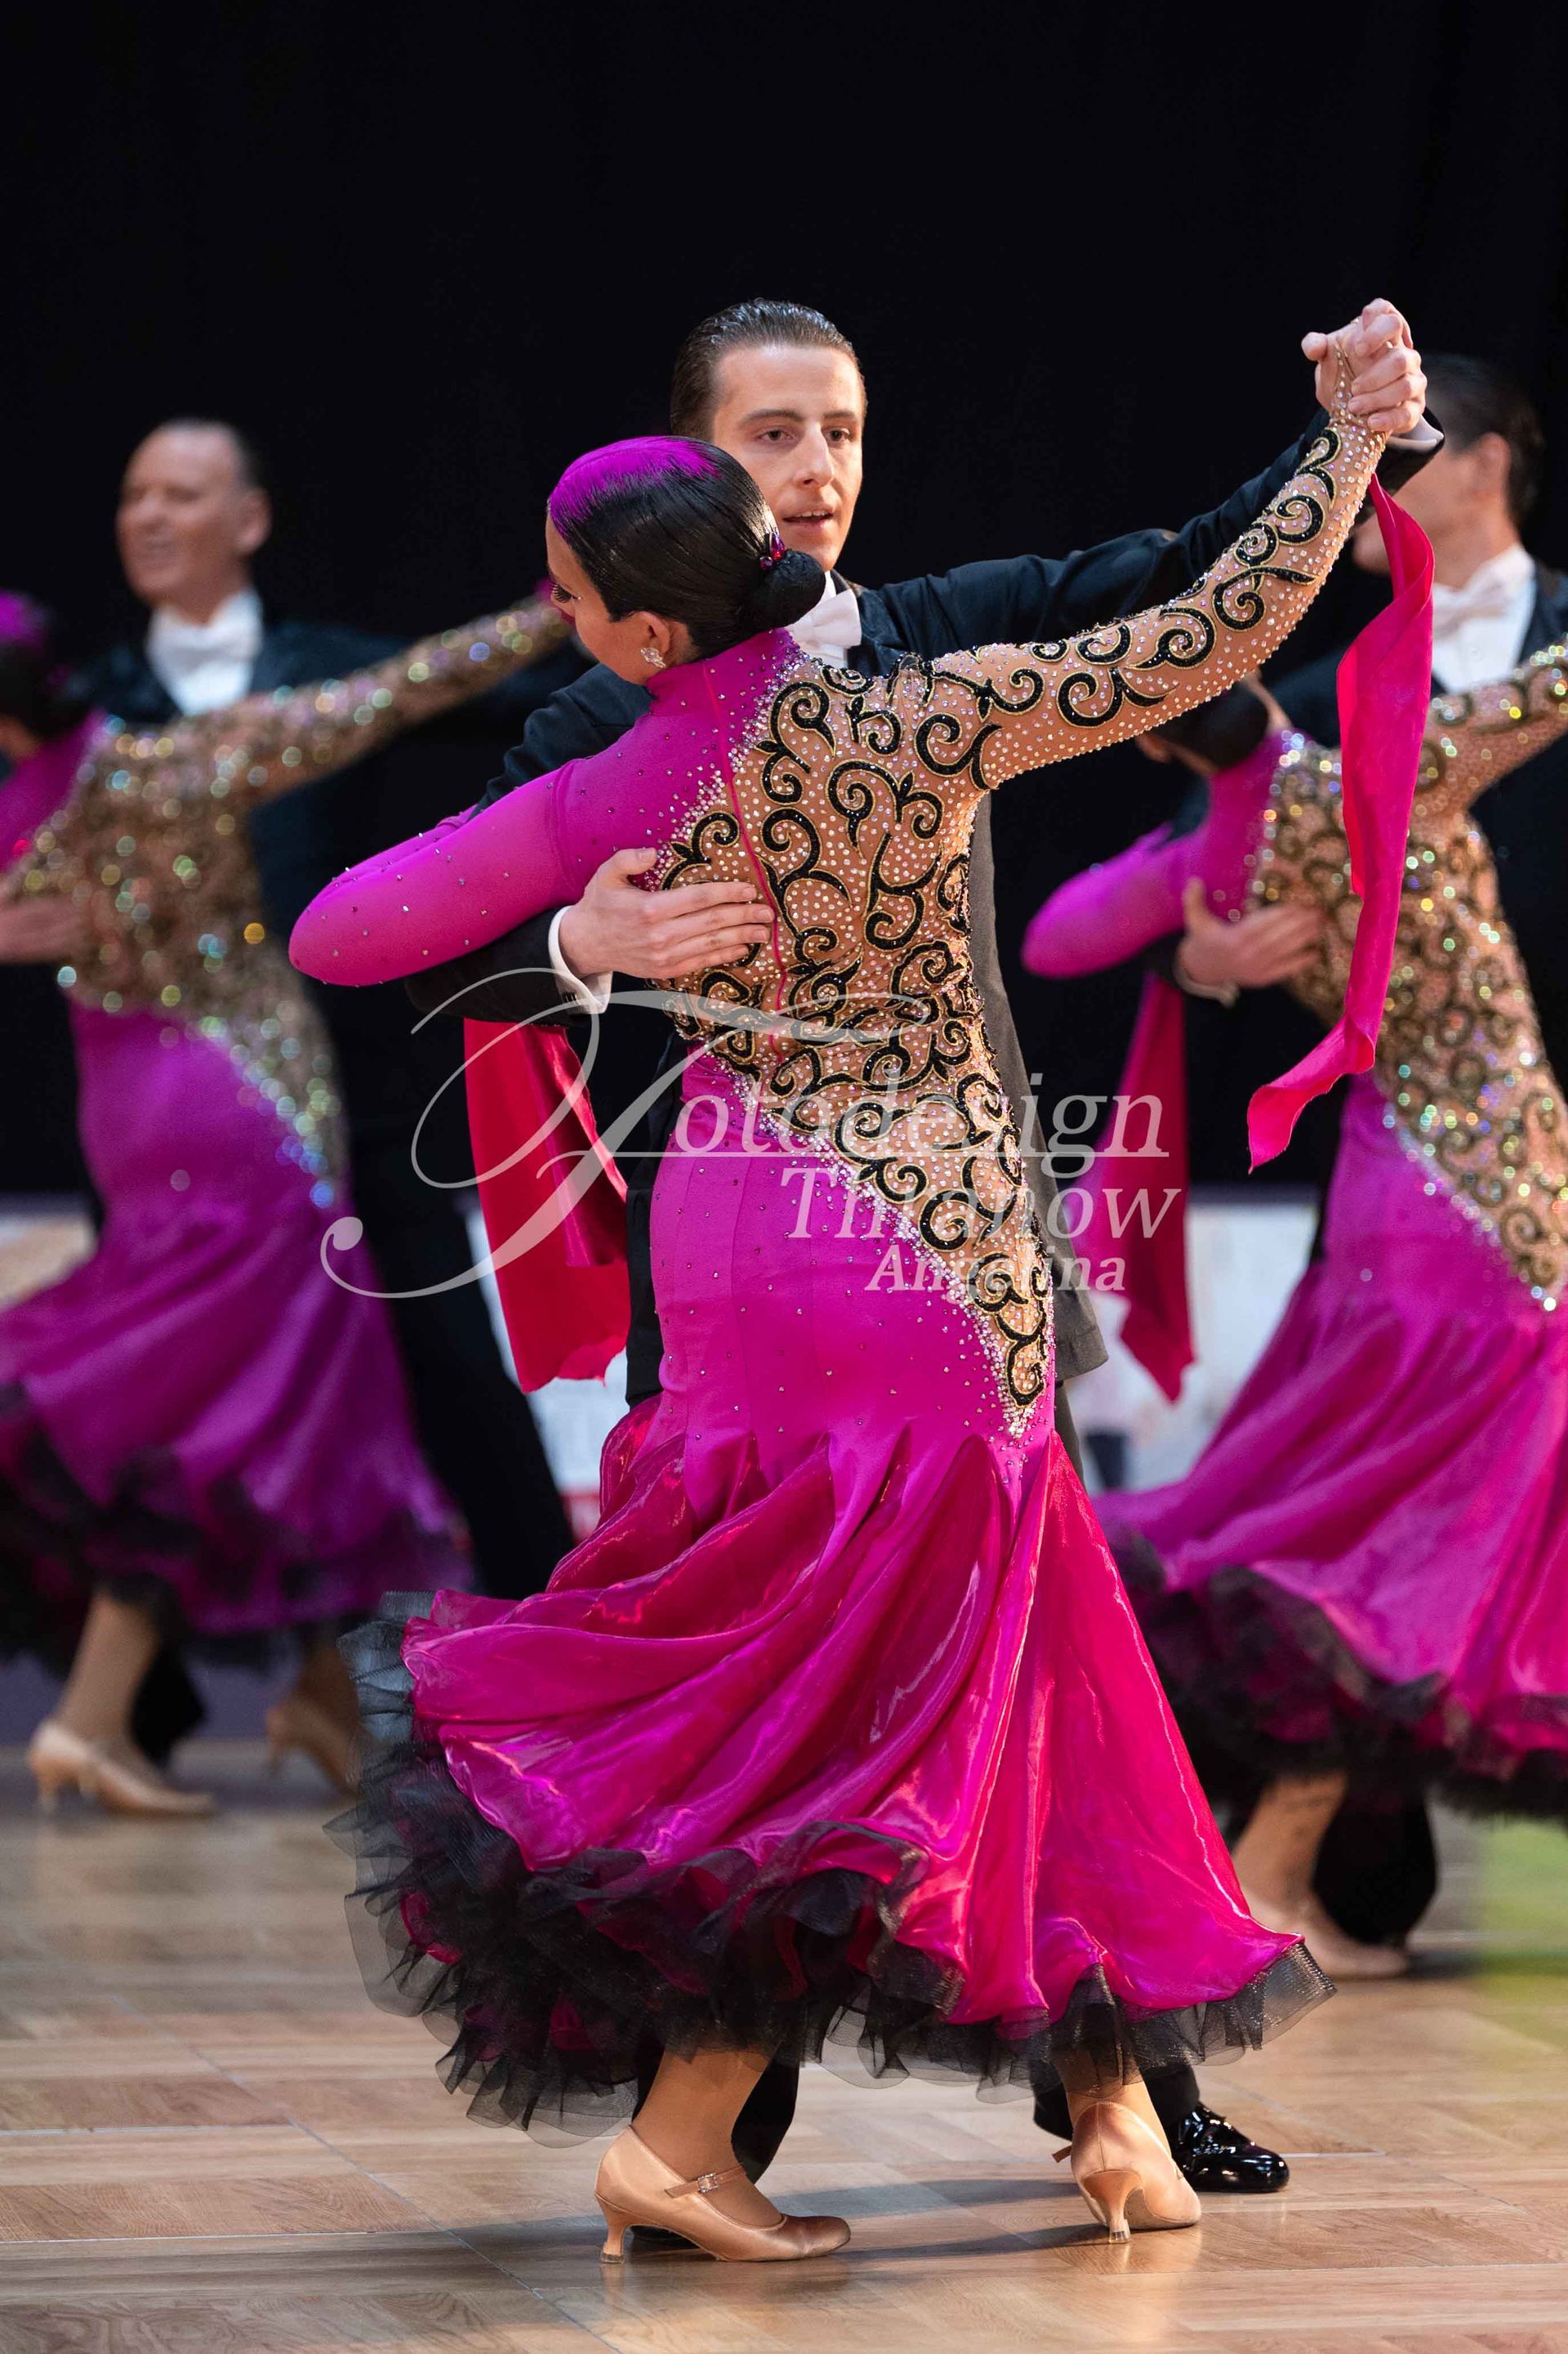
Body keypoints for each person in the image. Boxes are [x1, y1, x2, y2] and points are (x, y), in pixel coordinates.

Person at [292, 367, 1397, 2256]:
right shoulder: (925, 711)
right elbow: (1222, 626)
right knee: (899, 1676)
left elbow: (337, 926)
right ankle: (690, 2134)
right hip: (920, 1247)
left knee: (901, 1645)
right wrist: (1354, 444)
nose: (565, 620)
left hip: (734, 1241)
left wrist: (579, 920)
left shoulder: (622, 772)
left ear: (648, 630)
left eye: (570, 594)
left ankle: (1115, 2108)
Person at [1028, 636, 1568, 1979]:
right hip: (1495, 1221)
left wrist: (1200, 942)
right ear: (1267, 686)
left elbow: (1052, 936)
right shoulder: (1394, 768)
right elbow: (1553, 685)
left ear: (1159, 742)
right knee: (1397, 1559)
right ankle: (1270, 1870)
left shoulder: (1215, 862)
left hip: (1393, 1201)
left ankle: (1278, 1867)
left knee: (1391, 1537)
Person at [0, 587, 565, 1813]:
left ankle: (317, 1691)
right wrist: (540, 618)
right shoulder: (169, 761)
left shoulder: (21, 812)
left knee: (295, 1392)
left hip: (126, 1114)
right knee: (230, 1403)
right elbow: (396, 690)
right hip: (246, 1110)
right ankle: (94, 1719)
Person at [1146, 357, 1565, 1952]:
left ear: (1495, 459)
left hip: (1511, 1134)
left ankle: (1303, 1856)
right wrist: (1210, 960)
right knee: (1433, 1481)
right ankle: (1305, 1853)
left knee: (1463, 1486)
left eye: (1414, 451)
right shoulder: (1326, 697)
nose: (1383, 489)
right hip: (1461, 1152)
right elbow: (1172, 888)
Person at [88, 421, 577, 1637]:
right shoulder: (94, 705)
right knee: (160, 1390)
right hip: (183, 1110)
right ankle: (147, 1698)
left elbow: (512, 699)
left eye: (181, 494)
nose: (151, 517)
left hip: (354, 1087)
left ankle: (551, 1624)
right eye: (137, 495)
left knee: (446, 1360)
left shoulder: (329, 671)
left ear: (248, 520)